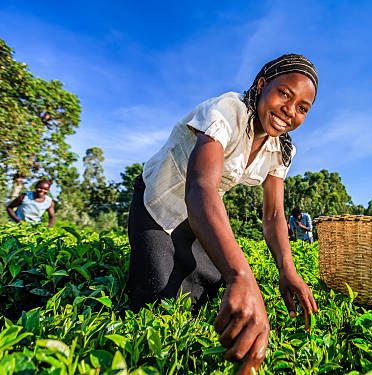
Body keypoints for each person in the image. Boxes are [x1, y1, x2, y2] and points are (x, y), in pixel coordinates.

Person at [127, 53, 319, 374]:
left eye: (302, 107)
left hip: (196, 217)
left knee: (207, 287)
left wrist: (288, 270)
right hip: (157, 206)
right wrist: (241, 275)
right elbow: (200, 188)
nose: (290, 110)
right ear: (261, 85)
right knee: (157, 305)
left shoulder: (282, 150)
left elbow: (273, 217)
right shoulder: (228, 111)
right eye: (284, 93)